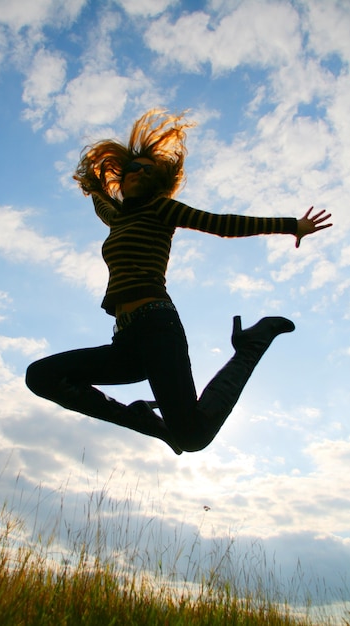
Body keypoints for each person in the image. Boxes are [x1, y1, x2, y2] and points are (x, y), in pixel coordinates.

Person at [26, 110, 332, 455]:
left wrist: (291, 224)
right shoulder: (118, 219)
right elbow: (101, 203)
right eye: (133, 170)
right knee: (41, 376)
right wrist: (93, 182)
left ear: (156, 180)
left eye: (148, 169)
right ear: (122, 181)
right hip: (126, 340)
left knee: (191, 437)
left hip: (157, 326)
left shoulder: (161, 209)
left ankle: (249, 348)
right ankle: (143, 419)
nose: (140, 173)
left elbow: (222, 223)